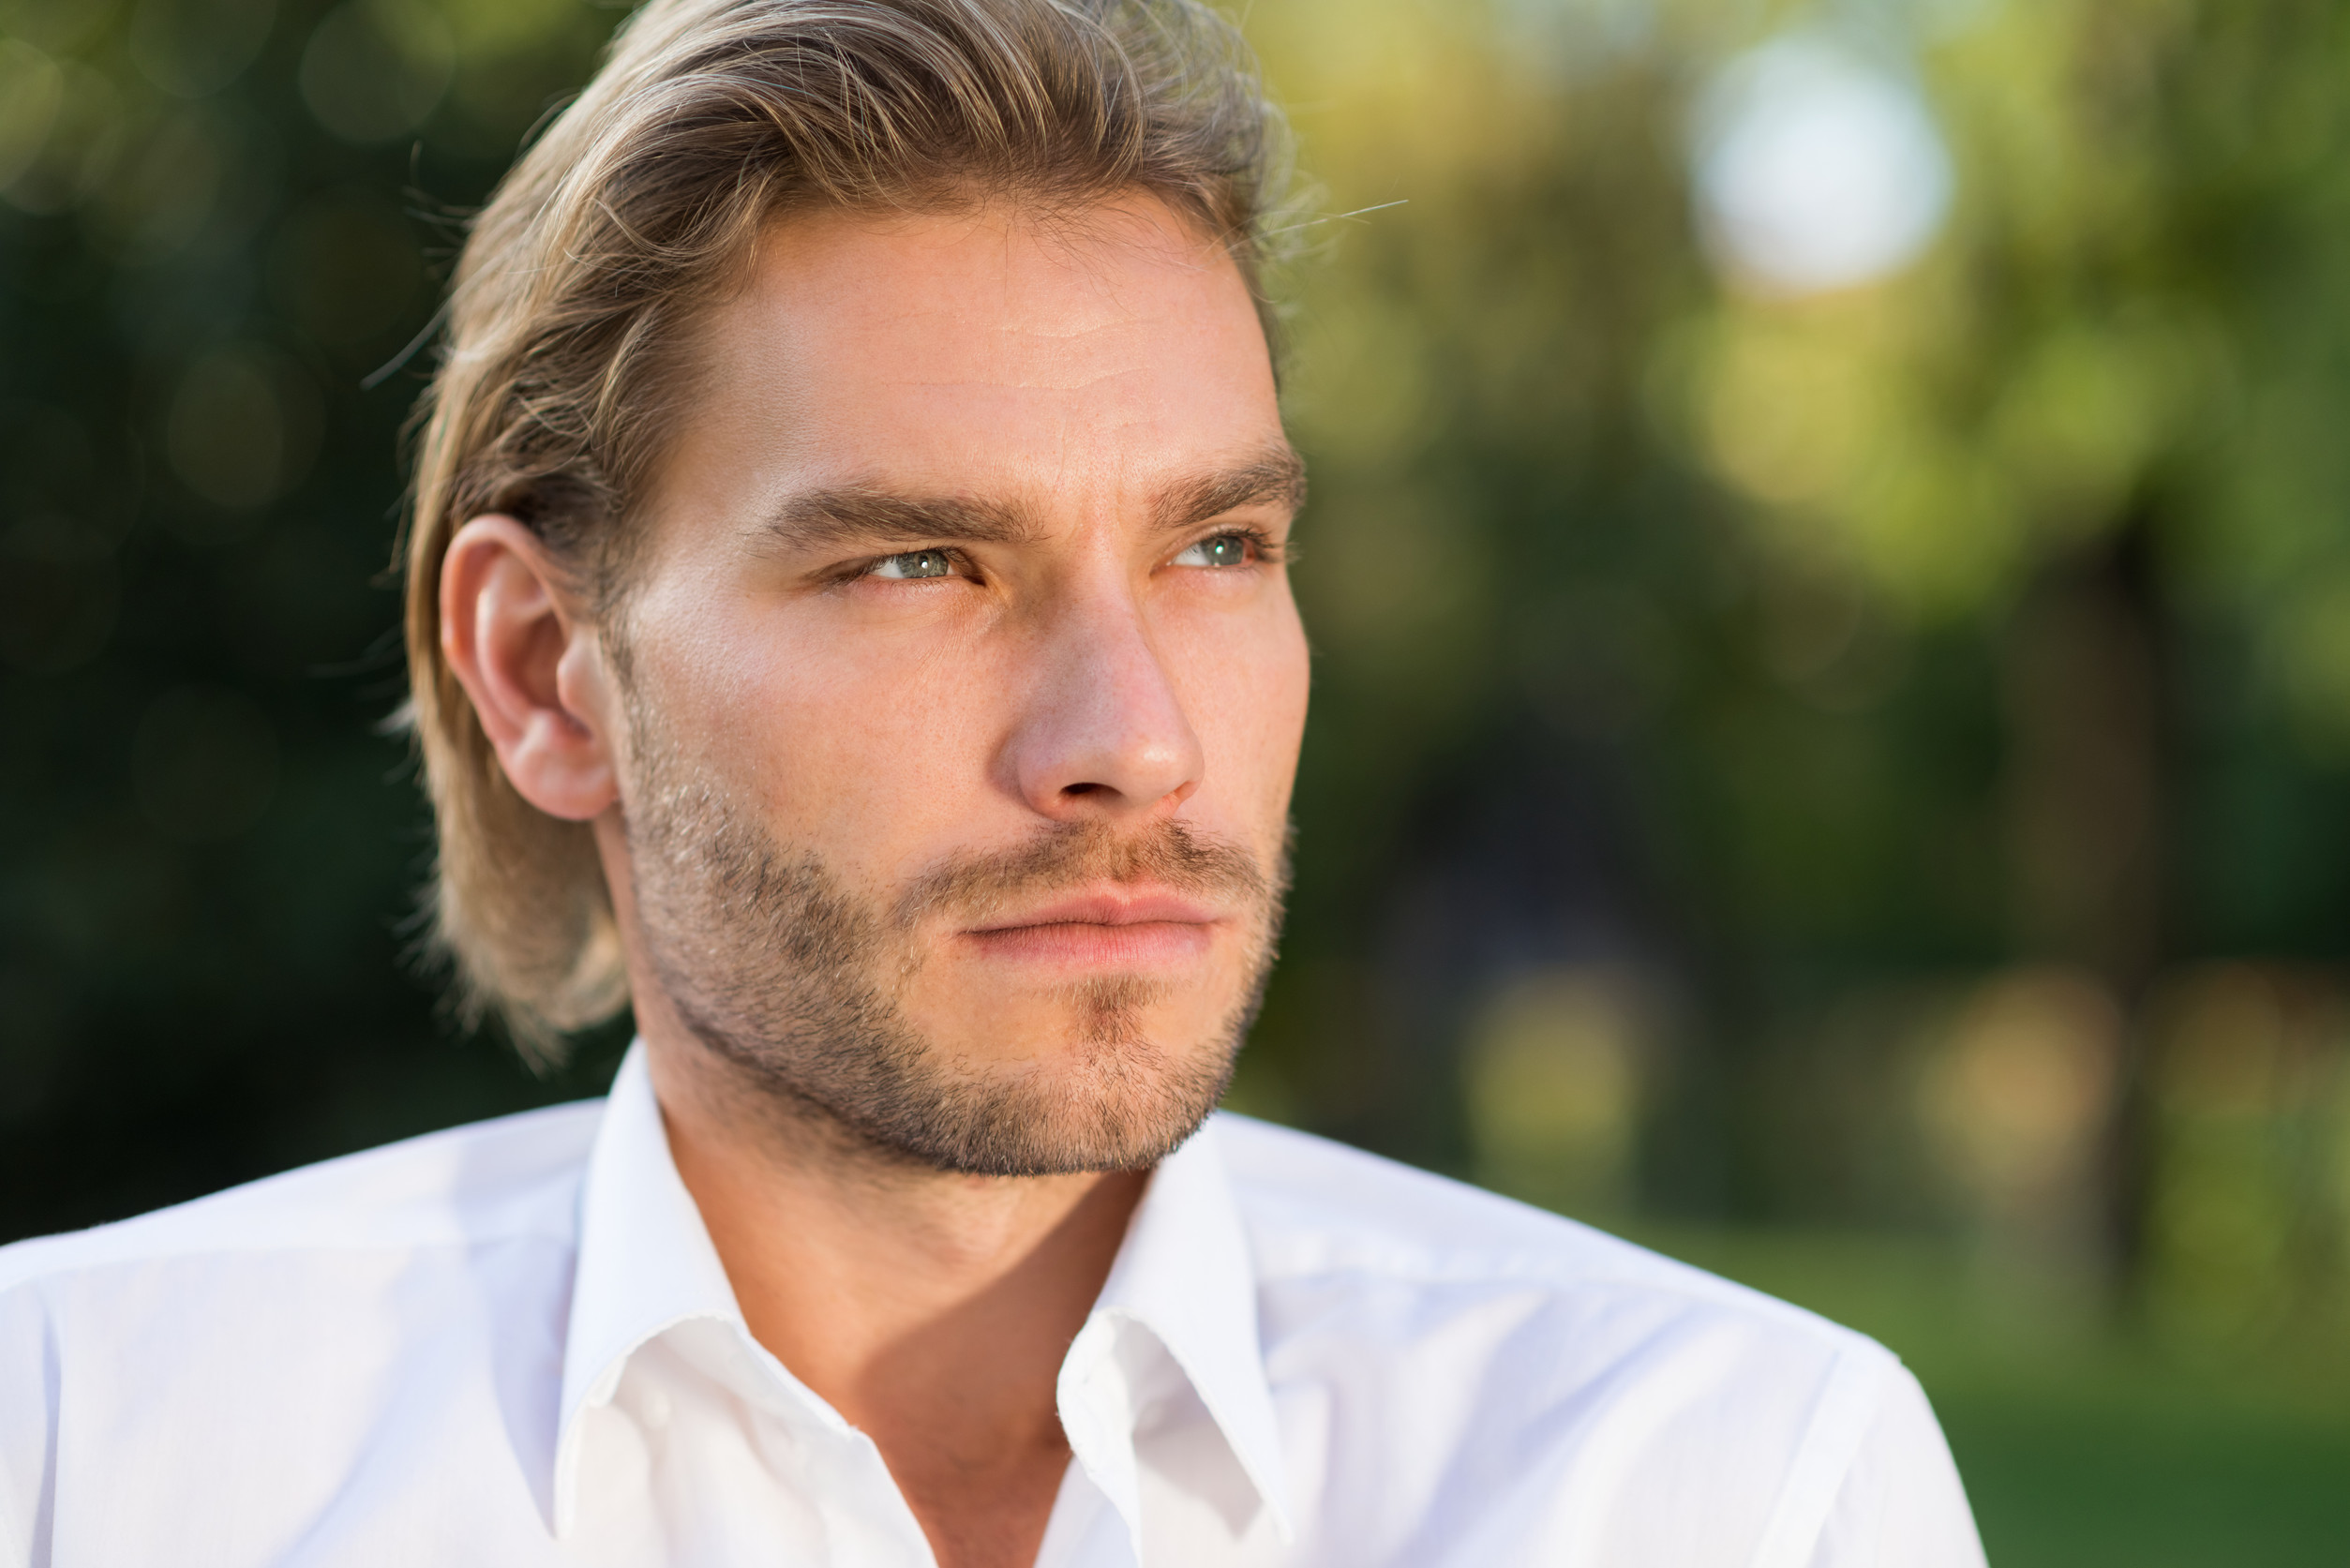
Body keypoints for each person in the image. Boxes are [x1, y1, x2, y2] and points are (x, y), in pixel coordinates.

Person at [0, 1, 1987, 1563]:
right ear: (546, 674)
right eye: (918, 565)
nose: (1134, 739)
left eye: (1215, 551)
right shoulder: (86, 1452)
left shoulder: (1724, 1490)